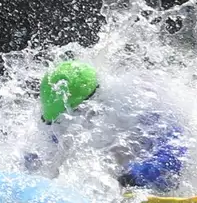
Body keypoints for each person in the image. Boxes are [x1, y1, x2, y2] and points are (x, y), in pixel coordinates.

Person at [28, 58, 188, 190]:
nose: (62, 125)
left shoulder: (135, 106)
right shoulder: (59, 125)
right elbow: (41, 156)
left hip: (148, 177)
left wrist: (134, 177)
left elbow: (177, 145)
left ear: (92, 106)